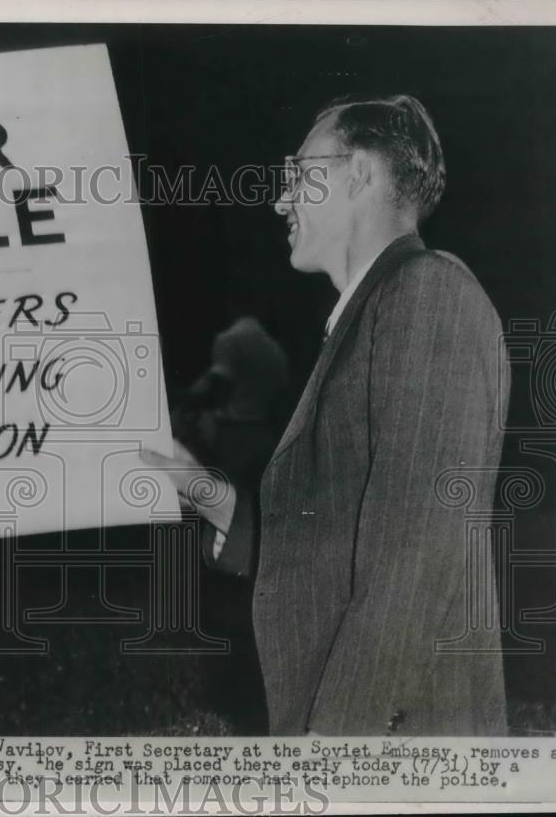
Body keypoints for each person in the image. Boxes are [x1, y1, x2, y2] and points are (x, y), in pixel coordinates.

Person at [143, 95, 509, 736]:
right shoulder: (379, 309)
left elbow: (414, 564)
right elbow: (341, 549)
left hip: (391, 749)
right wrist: (205, 490)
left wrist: (335, 758)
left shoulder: (426, 294)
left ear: (361, 174)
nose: (280, 200)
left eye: (298, 174)